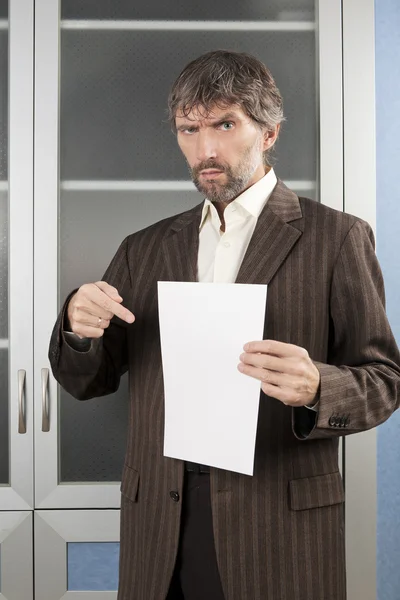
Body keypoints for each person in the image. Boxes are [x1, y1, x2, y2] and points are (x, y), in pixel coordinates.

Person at [49, 50, 400, 600]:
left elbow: (384, 381)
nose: (205, 149)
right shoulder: (143, 248)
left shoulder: (337, 238)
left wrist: (317, 388)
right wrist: (78, 327)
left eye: (225, 124)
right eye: (189, 129)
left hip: (278, 525)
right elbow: (88, 381)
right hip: (161, 521)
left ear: (268, 132)